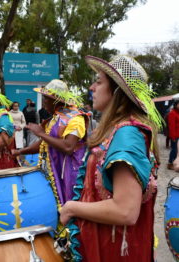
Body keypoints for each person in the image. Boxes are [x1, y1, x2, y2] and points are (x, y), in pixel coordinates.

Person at [59, 55, 162, 261]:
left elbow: (126, 211)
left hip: (114, 250)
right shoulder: (119, 130)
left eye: (98, 81)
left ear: (117, 91)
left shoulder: (126, 134)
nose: (91, 87)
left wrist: (71, 207)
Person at [13, 79, 88, 206]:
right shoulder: (55, 118)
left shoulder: (75, 118)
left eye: (46, 98)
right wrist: (20, 151)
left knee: (69, 212)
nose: (43, 102)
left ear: (56, 100)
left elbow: (68, 147)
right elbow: (45, 144)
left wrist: (40, 133)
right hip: (55, 172)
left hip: (69, 175)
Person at [167, 100, 179, 170]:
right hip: (175, 135)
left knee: (177, 150)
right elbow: (171, 126)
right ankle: (170, 163)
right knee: (174, 149)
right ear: (176, 105)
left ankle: (176, 163)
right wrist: (173, 136)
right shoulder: (172, 113)